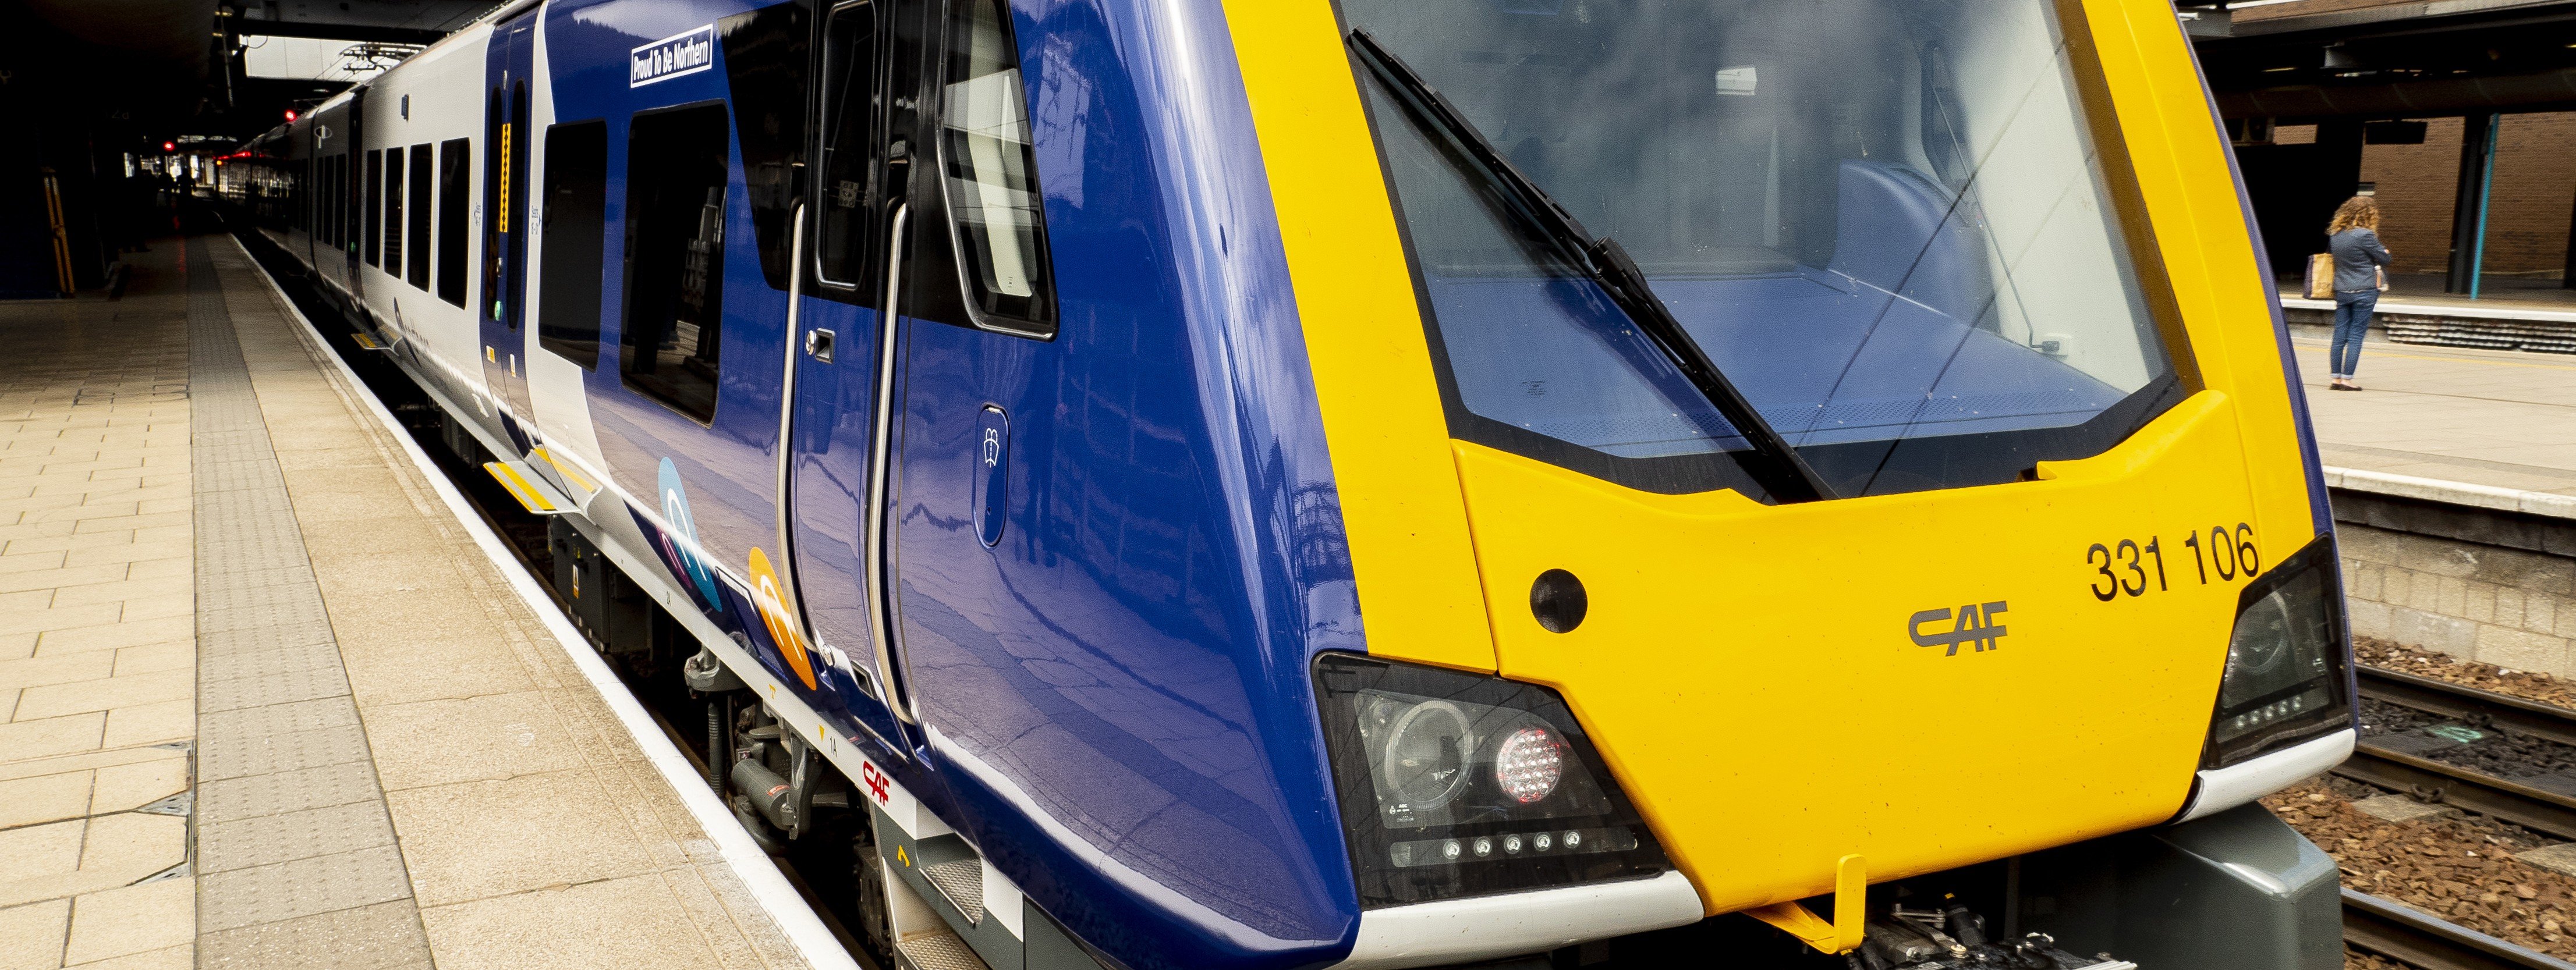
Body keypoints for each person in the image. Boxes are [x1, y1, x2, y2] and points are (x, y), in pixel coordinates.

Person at [2325, 196, 2393, 391]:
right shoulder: (2365, 235)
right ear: (2369, 215)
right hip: (2364, 290)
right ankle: (2347, 379)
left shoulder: (2336, 234)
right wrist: (2385, 252)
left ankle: (2336, 379)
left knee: (2339, 334)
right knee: (2356, 334)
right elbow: (2386, 259)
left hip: (2342, 289)